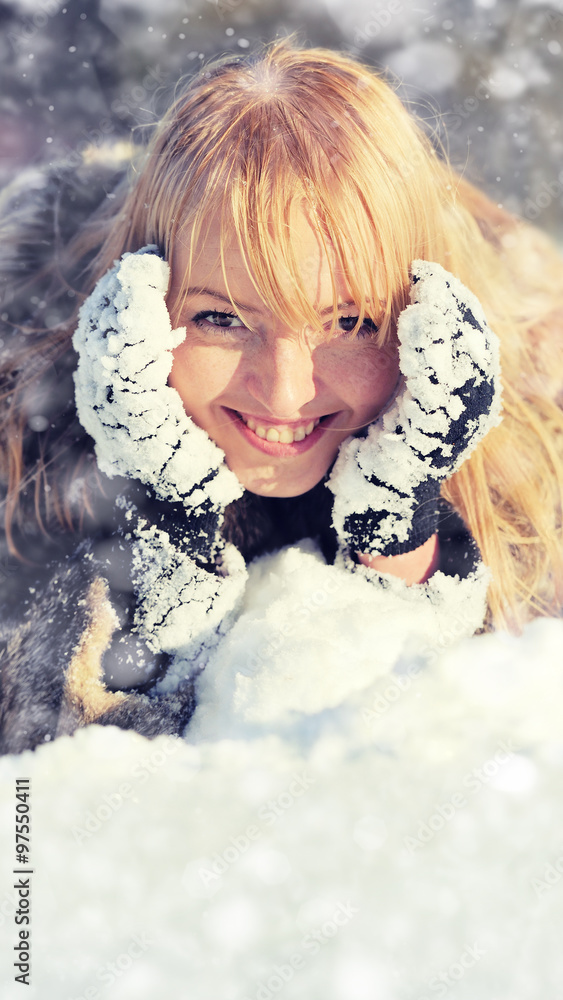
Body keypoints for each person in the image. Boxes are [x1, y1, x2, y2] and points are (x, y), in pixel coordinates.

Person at [1, 36, 562, 755]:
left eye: (350, 323)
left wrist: (402, 532)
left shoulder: (524, 431)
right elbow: (50, 787)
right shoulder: (29, 405)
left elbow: (441, 769)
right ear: (145, 303)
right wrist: (161, 516)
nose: (287, 392)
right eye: (223, 318)